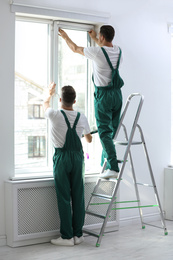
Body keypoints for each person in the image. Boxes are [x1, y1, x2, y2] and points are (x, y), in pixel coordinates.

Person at [58, 25, 124, 179]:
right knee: (112, 131)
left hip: (104, 96)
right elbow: (105, 47)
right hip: (117, 94)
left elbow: (75, 48)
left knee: (104, 132)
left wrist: (65, 36)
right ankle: (106, 162)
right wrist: (95, 38)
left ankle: (113, 167)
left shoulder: (96, 52)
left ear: (102, 37)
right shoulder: (119, 50)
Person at [43, 82, 92, 246]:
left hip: (62, 158)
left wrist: (49, 93)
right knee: (78, 196)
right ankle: (78, 235)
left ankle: (66, 237)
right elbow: (89, 138)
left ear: (61, 100)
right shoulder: (82, 116)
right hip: (78, 159)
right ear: (75, 100)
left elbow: (45, 104)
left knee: (64, 198)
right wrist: (84, 135)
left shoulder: (54, 114)